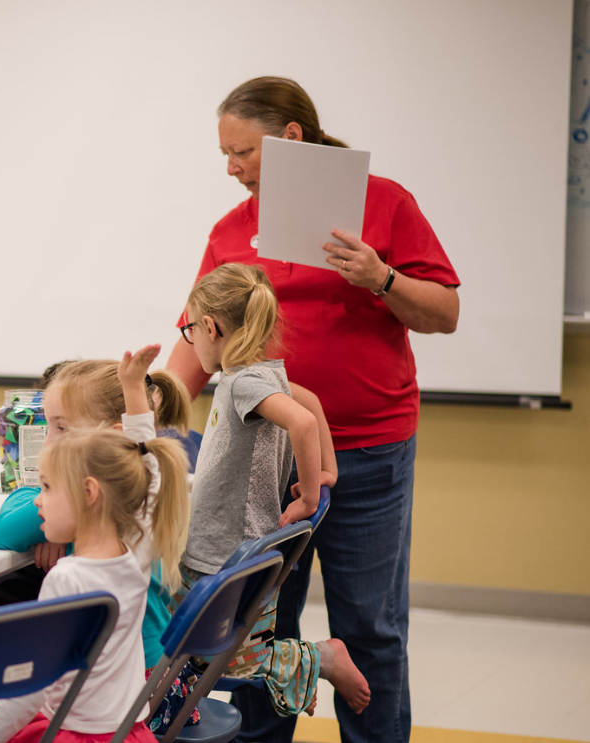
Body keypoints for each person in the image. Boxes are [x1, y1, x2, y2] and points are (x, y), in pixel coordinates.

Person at [166, 77, 460, 743]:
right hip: (262, 469)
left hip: (370, 451)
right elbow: (195, 349)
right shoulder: (231, 231)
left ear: (290, 137)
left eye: (241, 151)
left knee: (371, 629)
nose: (230, 167)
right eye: (225, 154)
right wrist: (138, 412)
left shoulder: (384, 205)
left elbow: (444, 311)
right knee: (258, 628)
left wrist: (381, 277)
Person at [176, 262, 369, 721]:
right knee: (196, 650)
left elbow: (302, 420)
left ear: (210, 326)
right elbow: (314, 406)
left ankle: (323, 658)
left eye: (189, 331)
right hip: (227, 553)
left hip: (225, 557)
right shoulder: (263, 374)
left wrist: (306, 497)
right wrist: (326, 470)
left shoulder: (244, 381)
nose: (190, 342)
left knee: (233, 661)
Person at [0, 424, 189, 743]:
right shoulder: (136, 556)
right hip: (128, 733)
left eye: (46, 487)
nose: (38, 502)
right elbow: (149, 478)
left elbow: (33, 691)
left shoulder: (67, 578)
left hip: (73, 735)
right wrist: (133, 387)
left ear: (88, 492)